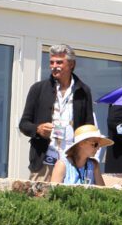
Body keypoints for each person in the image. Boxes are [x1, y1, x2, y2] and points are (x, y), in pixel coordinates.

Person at [18, 45, 95, 181]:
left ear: (71, 64)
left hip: (72, 163)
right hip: (44, 164)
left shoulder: (83, 91)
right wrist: (38, 129)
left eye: (59, 62)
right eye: (51, 62)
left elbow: (89, 128)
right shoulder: (38, 89)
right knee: (39, 201)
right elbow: (23, 124)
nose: (54, 66)